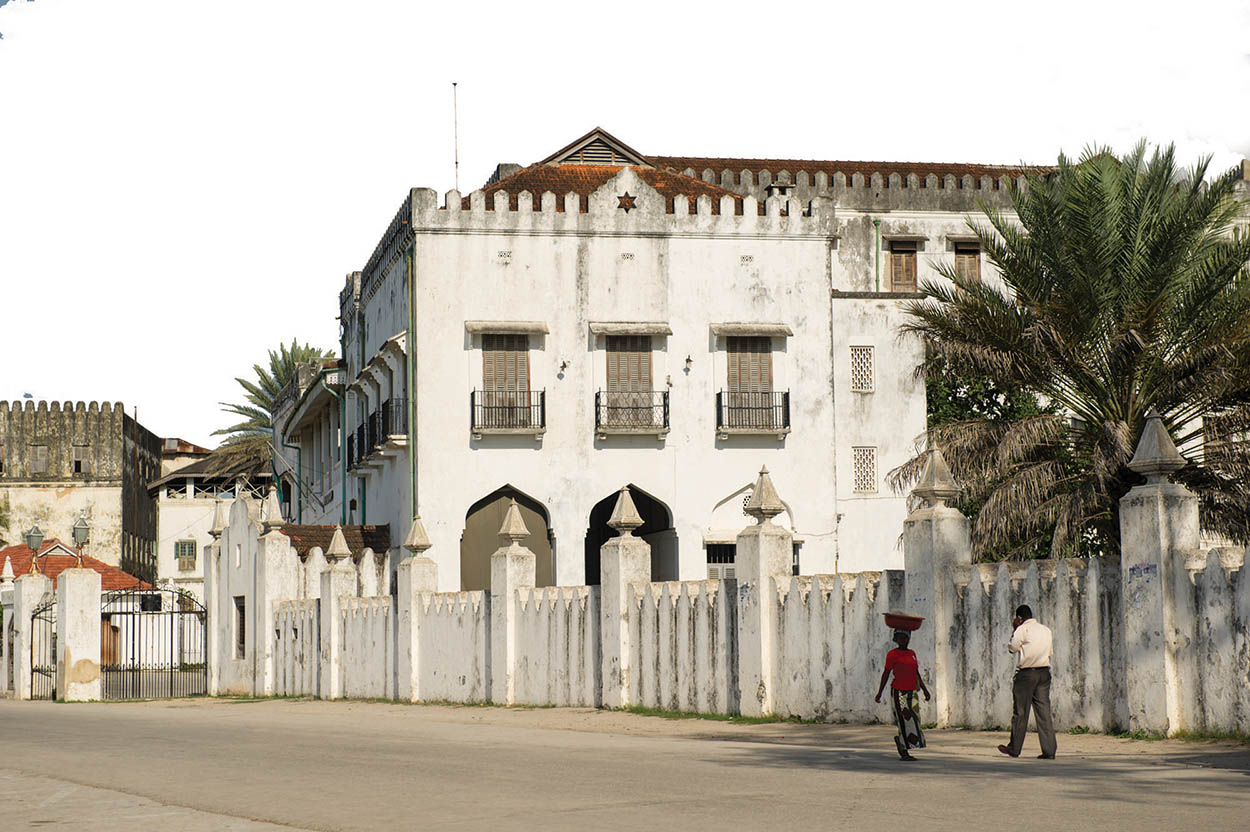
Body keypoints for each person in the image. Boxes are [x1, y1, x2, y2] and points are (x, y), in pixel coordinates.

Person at [998, 604, 1057, 759]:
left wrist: (1015, 629)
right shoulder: (1046, 630)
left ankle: (1014, 748)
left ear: (1019, 618)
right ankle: (1049, 751)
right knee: (1044, 712)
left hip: (1027, 674)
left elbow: (1012, 648)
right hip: (1044, 673)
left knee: (1021, 712)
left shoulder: (1022, 630)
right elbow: (1049, 652)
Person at [875, 629, 931, 761]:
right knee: (903, 720)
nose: (903, 641)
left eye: (905, 638)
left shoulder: (912, 654)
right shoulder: (892, 654)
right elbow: (886, 673)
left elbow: (916, 673)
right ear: (896, 639)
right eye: (900, 638)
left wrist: (925, 690)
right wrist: (880, 692)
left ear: (908, 639)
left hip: (912, 691)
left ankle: (900, 740)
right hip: (899, 692)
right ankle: (903, 751)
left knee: (914, 720)